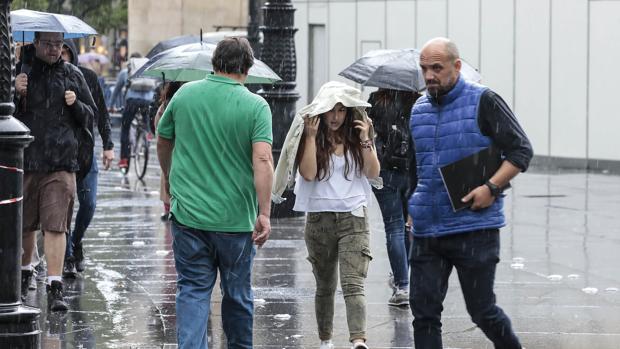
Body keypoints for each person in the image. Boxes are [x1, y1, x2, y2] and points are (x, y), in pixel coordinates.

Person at [407, 37, 533, 349]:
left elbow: (521, 150)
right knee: (423, 315)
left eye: (437, 68)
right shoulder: (418, 110)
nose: (429, 75)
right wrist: (412, 205)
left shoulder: (484, 100)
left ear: (457, 66)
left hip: (474, 228)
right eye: (424, 68)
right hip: (426, 231)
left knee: (482, 310)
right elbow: (416, 167)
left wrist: (491, 187)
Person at [156, 37, 273, 349]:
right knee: (237, 294)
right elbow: (262, 159)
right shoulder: (256, 106)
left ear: (214, 64)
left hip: (190, 215)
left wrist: (168, 178)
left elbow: (163, 139)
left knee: (193, 290)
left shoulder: (185, 96)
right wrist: (264, 212)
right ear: (247, 69)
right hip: (236, 221)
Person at [289, 81, 380, 349]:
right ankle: (325, 339)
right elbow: (308, 174)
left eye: (341, 110)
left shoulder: (357, 137)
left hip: (354, 218)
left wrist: (365, 140)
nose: (336, 117)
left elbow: (373, 173)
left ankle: (358, 340)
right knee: (325, 286)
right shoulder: (313, 136)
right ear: (322, 111)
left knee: (354, 283)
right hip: (320, 219)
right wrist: (309, 136)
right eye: (331, 110)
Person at [14, 31, 96, 311]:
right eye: (47, 44)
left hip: (61, 161)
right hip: (27, 160)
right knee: (25, 224)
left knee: (55, 224)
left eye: (58, 44)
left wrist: (76, 104)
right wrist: (15, 92)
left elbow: (90, 117)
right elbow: (7, 116)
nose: (53, 49)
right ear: (35, 43)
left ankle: (55, 285)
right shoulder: (20, 73)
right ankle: (25, 273)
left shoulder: (73, 74)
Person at [60, 40, 115, 276]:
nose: (61, 56)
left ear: (72, 53)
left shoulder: (88, 77)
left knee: (89, 204)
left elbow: (100, 112)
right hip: (60, 154)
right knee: (62, 209)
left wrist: (108, 145)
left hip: (85, 151)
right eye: (57, 52)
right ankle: (68, 255)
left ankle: (76, 240)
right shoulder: (47, 78)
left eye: (65, 52)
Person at [367, 88, 420, 306]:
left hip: (384, 169)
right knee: (408, 226)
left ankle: (402, 285)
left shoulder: (376, 100)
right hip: (412, 169)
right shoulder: (418, 102)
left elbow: (368, 133)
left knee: (394, 226)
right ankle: (405, 278)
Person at [110, 52, 155, 170]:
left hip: (132, 102)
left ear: (131, 62)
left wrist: (111, 105)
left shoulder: (125, 72)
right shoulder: (147, 72)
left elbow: (116, 90)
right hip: (147, 101)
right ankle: (148, 134)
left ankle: (124, 159)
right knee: (146, 121)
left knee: (125, 127)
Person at [153, 81, 184, 221]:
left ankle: (169, 208)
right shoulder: (192, 103)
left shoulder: (166, 106)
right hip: (185, 151)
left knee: (167, 175)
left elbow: (160, 132)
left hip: (171, 150)